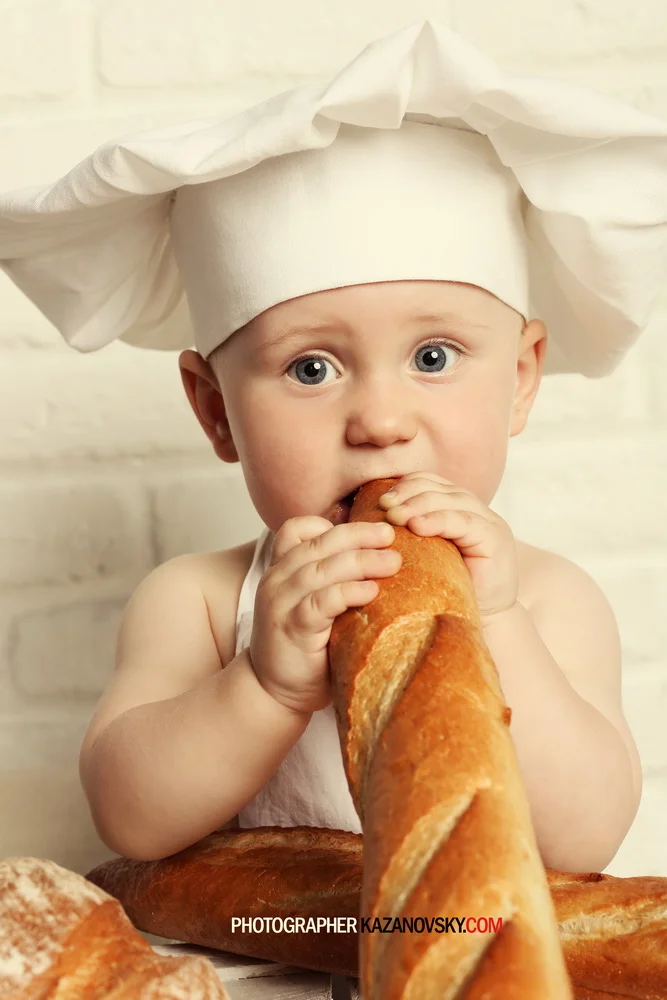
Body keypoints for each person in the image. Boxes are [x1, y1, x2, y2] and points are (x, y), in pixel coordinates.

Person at [1, 20, 665, 870]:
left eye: (433, 358)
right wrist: (264, 684)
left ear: (522, 379)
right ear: (214, 411)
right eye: (311, 368)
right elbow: (130, 822)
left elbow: (581, 841)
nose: (379, 422)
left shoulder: (544, 597)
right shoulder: (200, 603)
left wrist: (495, 623)